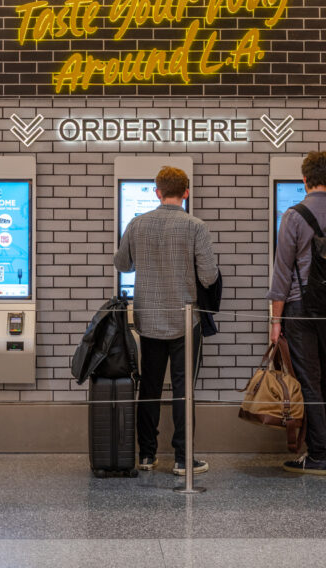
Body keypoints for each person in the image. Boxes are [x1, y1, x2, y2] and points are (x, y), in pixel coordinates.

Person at [113, 166, 219, 475]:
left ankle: (146, 455)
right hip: (186, 320)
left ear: (157, 192)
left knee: (150, 386)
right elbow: (209, 276)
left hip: (148, 318)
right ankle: (183, 458)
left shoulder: (137, 223)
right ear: (186, 192)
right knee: (184, 390)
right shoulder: (195, 226)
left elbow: (122, 264)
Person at [268, 150, 326, 476]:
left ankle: (317, 455)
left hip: (300, 307)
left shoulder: (293, 216)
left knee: (309, 381)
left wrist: (275, 321)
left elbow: (282, 274)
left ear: (304, 179)